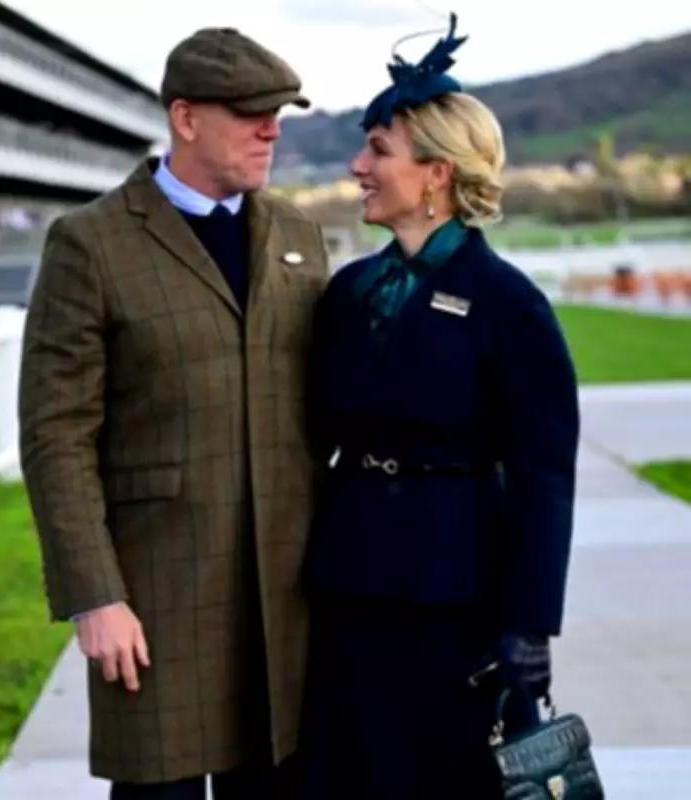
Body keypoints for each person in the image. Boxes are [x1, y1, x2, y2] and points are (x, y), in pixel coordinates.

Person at [17, 27, 330, 800]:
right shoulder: (89, 244)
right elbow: (56, 435)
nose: (272, 129)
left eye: (280, 113)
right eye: (252, 112)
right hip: (157, 601)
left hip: (285, 600)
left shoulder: (298, 233)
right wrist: (95, 594)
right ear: (185, 118)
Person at [297, 14, 580, 799]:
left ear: (436, 174)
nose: (357, 166)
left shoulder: (510, 305)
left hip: (456, 592)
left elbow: (543, 476)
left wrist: (530, 624)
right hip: (346, 582)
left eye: (377, 151)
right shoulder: (349, 295)